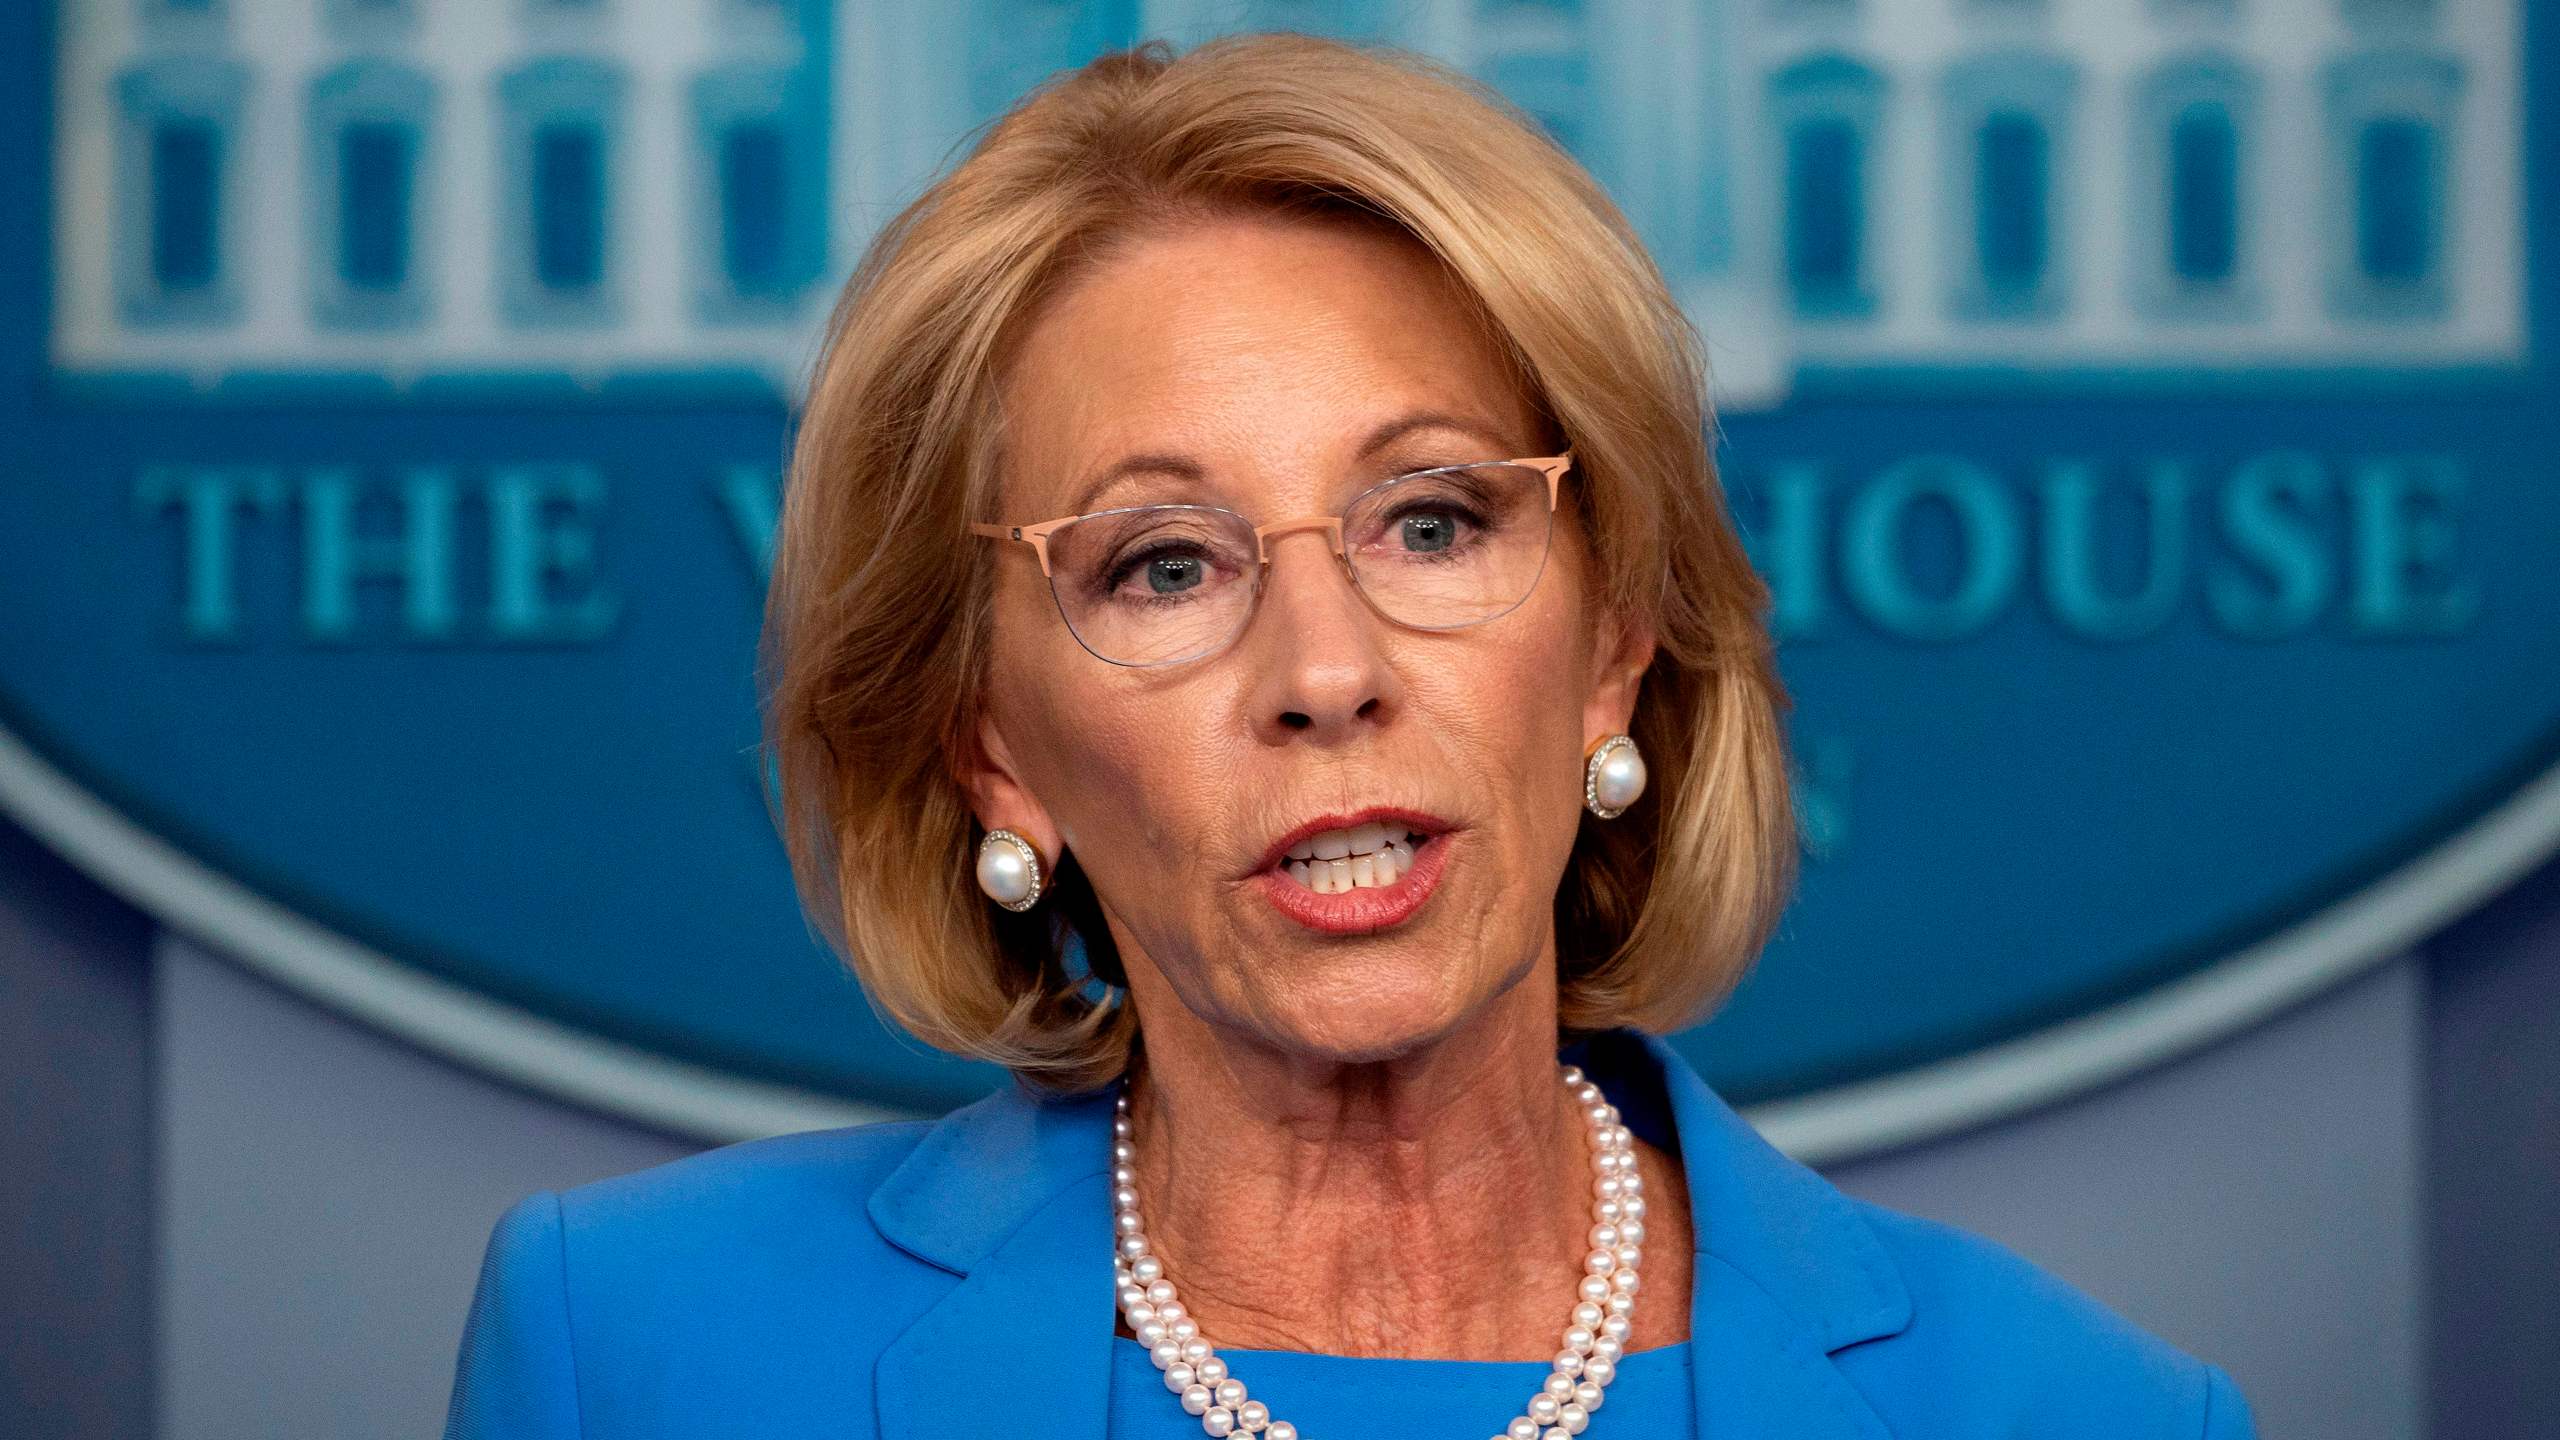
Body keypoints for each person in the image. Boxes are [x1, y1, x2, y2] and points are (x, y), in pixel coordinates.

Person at [442, 32, 2256, 1440]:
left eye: (1436, 523)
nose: (1327, 668)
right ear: (990, 745)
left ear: (1615, 646)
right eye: (1163, 564)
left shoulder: (2074, 1409)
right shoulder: (646, 1349)